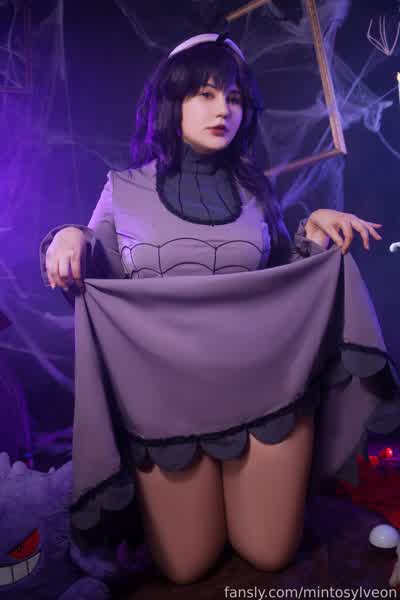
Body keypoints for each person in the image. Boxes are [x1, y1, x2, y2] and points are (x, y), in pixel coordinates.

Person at [40, 33, 388, 585]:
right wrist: (65, 235)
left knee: (269, 553)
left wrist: (315, 232)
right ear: (171, 102)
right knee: (187, 566)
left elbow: (285, 284)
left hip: (267, 391)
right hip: (163, 408)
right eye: (204, 93)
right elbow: (87, 280)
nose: (223, 108)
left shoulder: (255, 191)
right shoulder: (121, 189)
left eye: (234, 96)